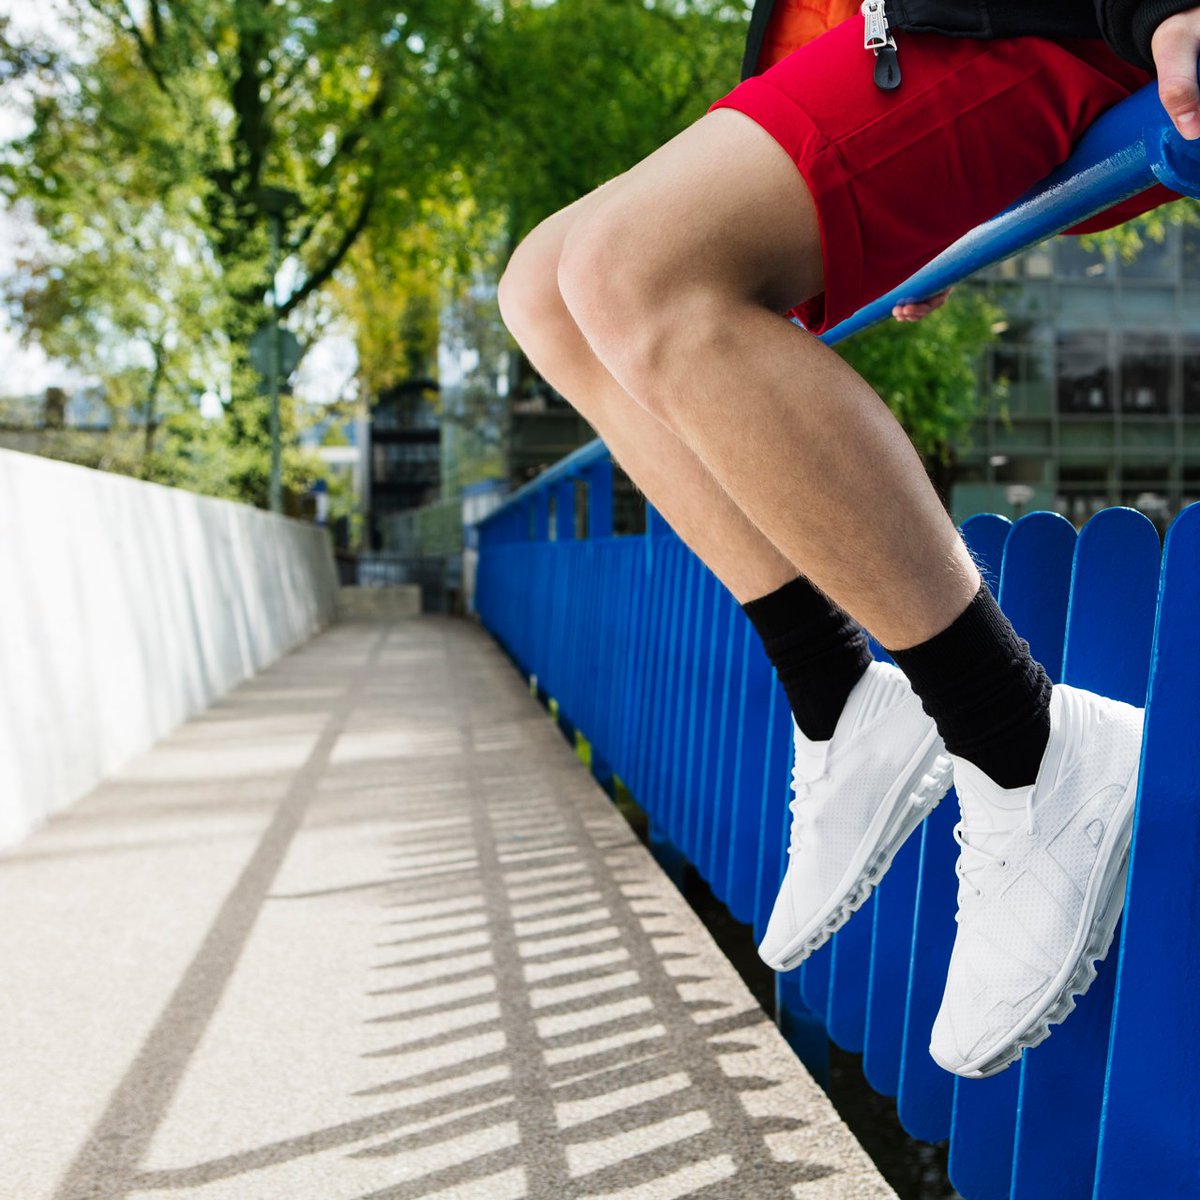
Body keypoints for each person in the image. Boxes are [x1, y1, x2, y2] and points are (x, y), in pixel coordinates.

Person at [496, 0, 1199, 1079]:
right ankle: (836, 693)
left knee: (637, 270)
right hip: (894, 32)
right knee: (545, 285)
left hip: (1026, 23)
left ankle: (1023, 741)